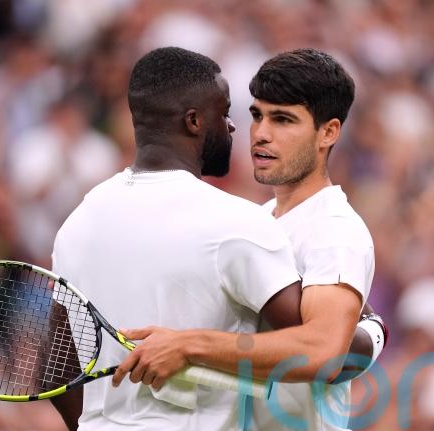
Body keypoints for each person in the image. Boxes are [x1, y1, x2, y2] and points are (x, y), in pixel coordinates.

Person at [49, 47, 377, 431]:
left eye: (283, 119)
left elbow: (325, 352)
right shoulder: (247, 222)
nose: (259, 133)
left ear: (329, 132)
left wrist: (189, 345)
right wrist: (375, 330)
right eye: (257, 115)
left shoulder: (334, 231)